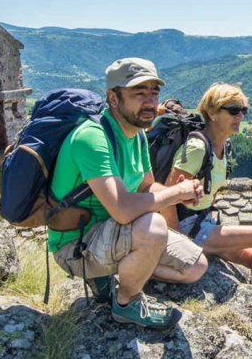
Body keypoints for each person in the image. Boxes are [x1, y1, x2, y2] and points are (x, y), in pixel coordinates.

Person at [49, 57, 208, 330]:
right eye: (138, 93)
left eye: (153, 92)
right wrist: (175, 194)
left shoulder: (137, 135)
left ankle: (113, 274)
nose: (149, 101)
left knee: (196, 266)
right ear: (113, 97)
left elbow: (147, 188)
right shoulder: (92, 137)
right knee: (154, 228)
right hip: (76, 244)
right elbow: (122, 209)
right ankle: (127, 304)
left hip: (115, 233)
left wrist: (178, 193)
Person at [160, 83, 252, 287]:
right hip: (189, 227)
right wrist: (178, 241)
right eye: (233, 110)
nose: (240, 116)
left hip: (203, 221)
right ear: (212, 113)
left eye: (243, 110)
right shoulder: (197, 147)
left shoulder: (224, 145)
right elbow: (167, 196)